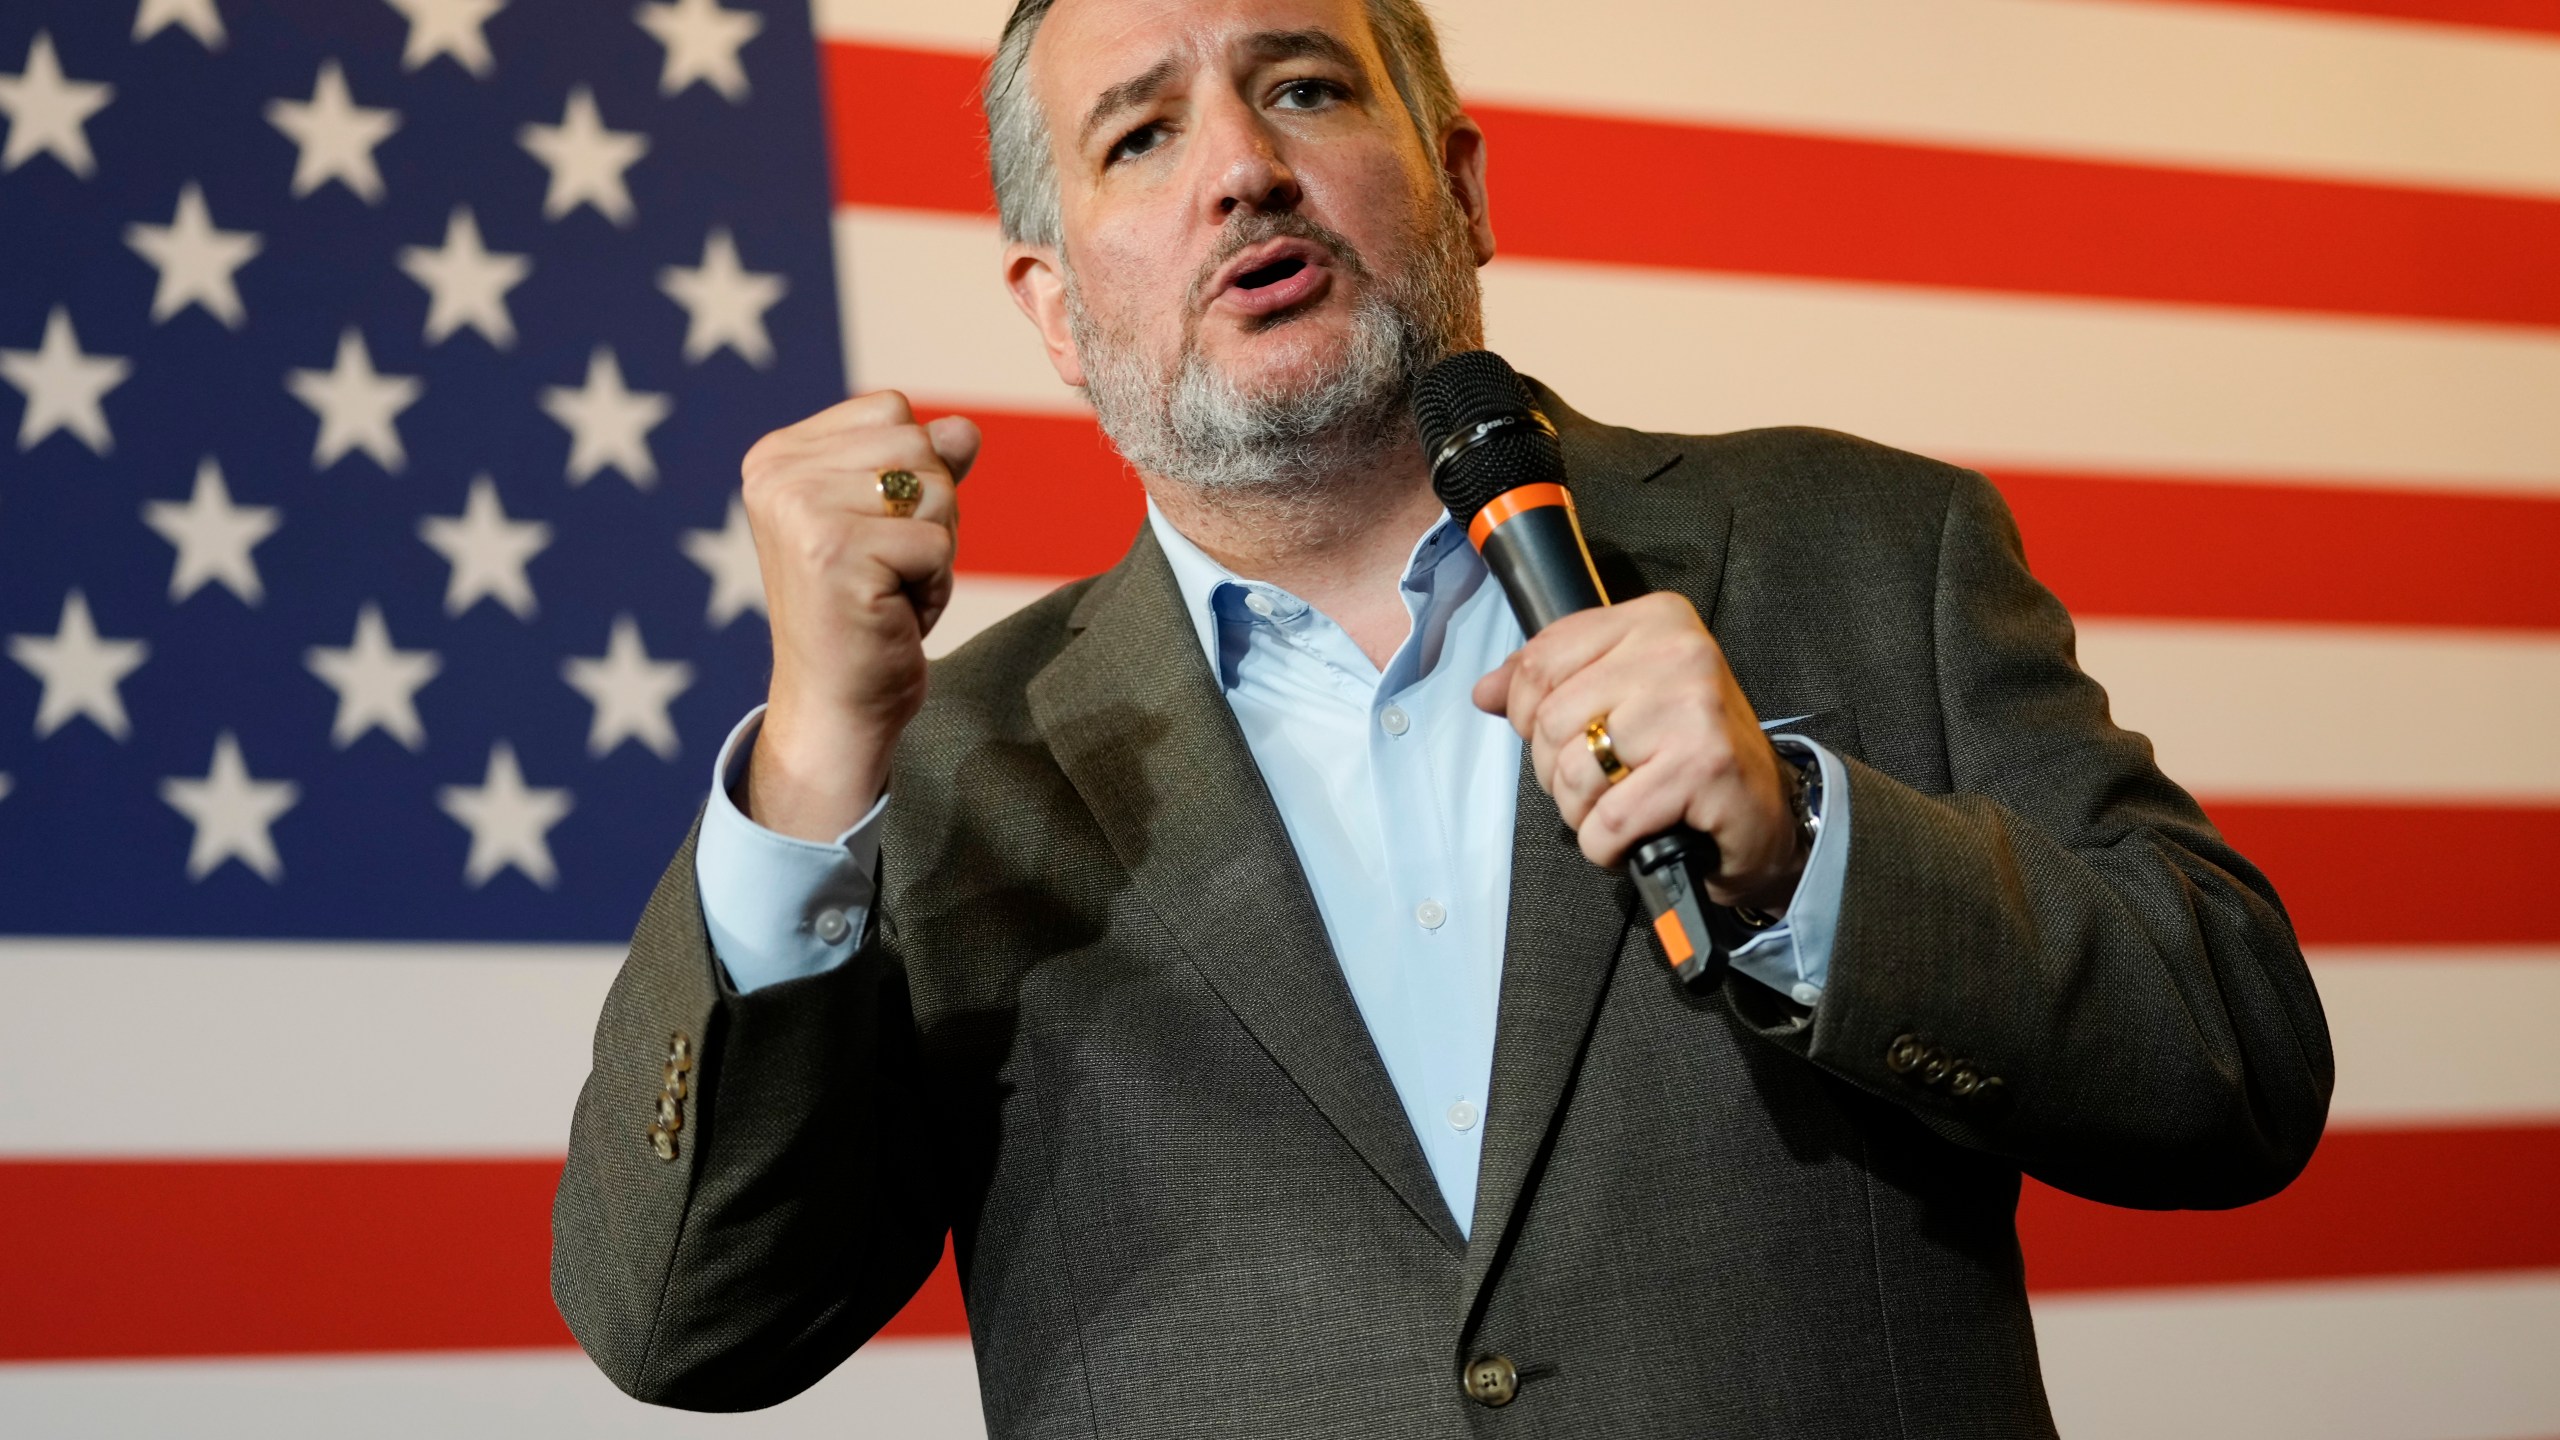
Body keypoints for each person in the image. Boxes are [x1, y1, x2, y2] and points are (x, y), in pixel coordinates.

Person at [553, 0, 2332, 1433]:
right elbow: (684, 1321)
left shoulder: (1869, 547)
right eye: (1142, 132)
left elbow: (2235, 1065)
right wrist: (808, 768)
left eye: (1304, 85)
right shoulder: (939, 773)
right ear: (1053, 312)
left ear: (1460, 183)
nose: (1241, 169)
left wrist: (1807, 849)